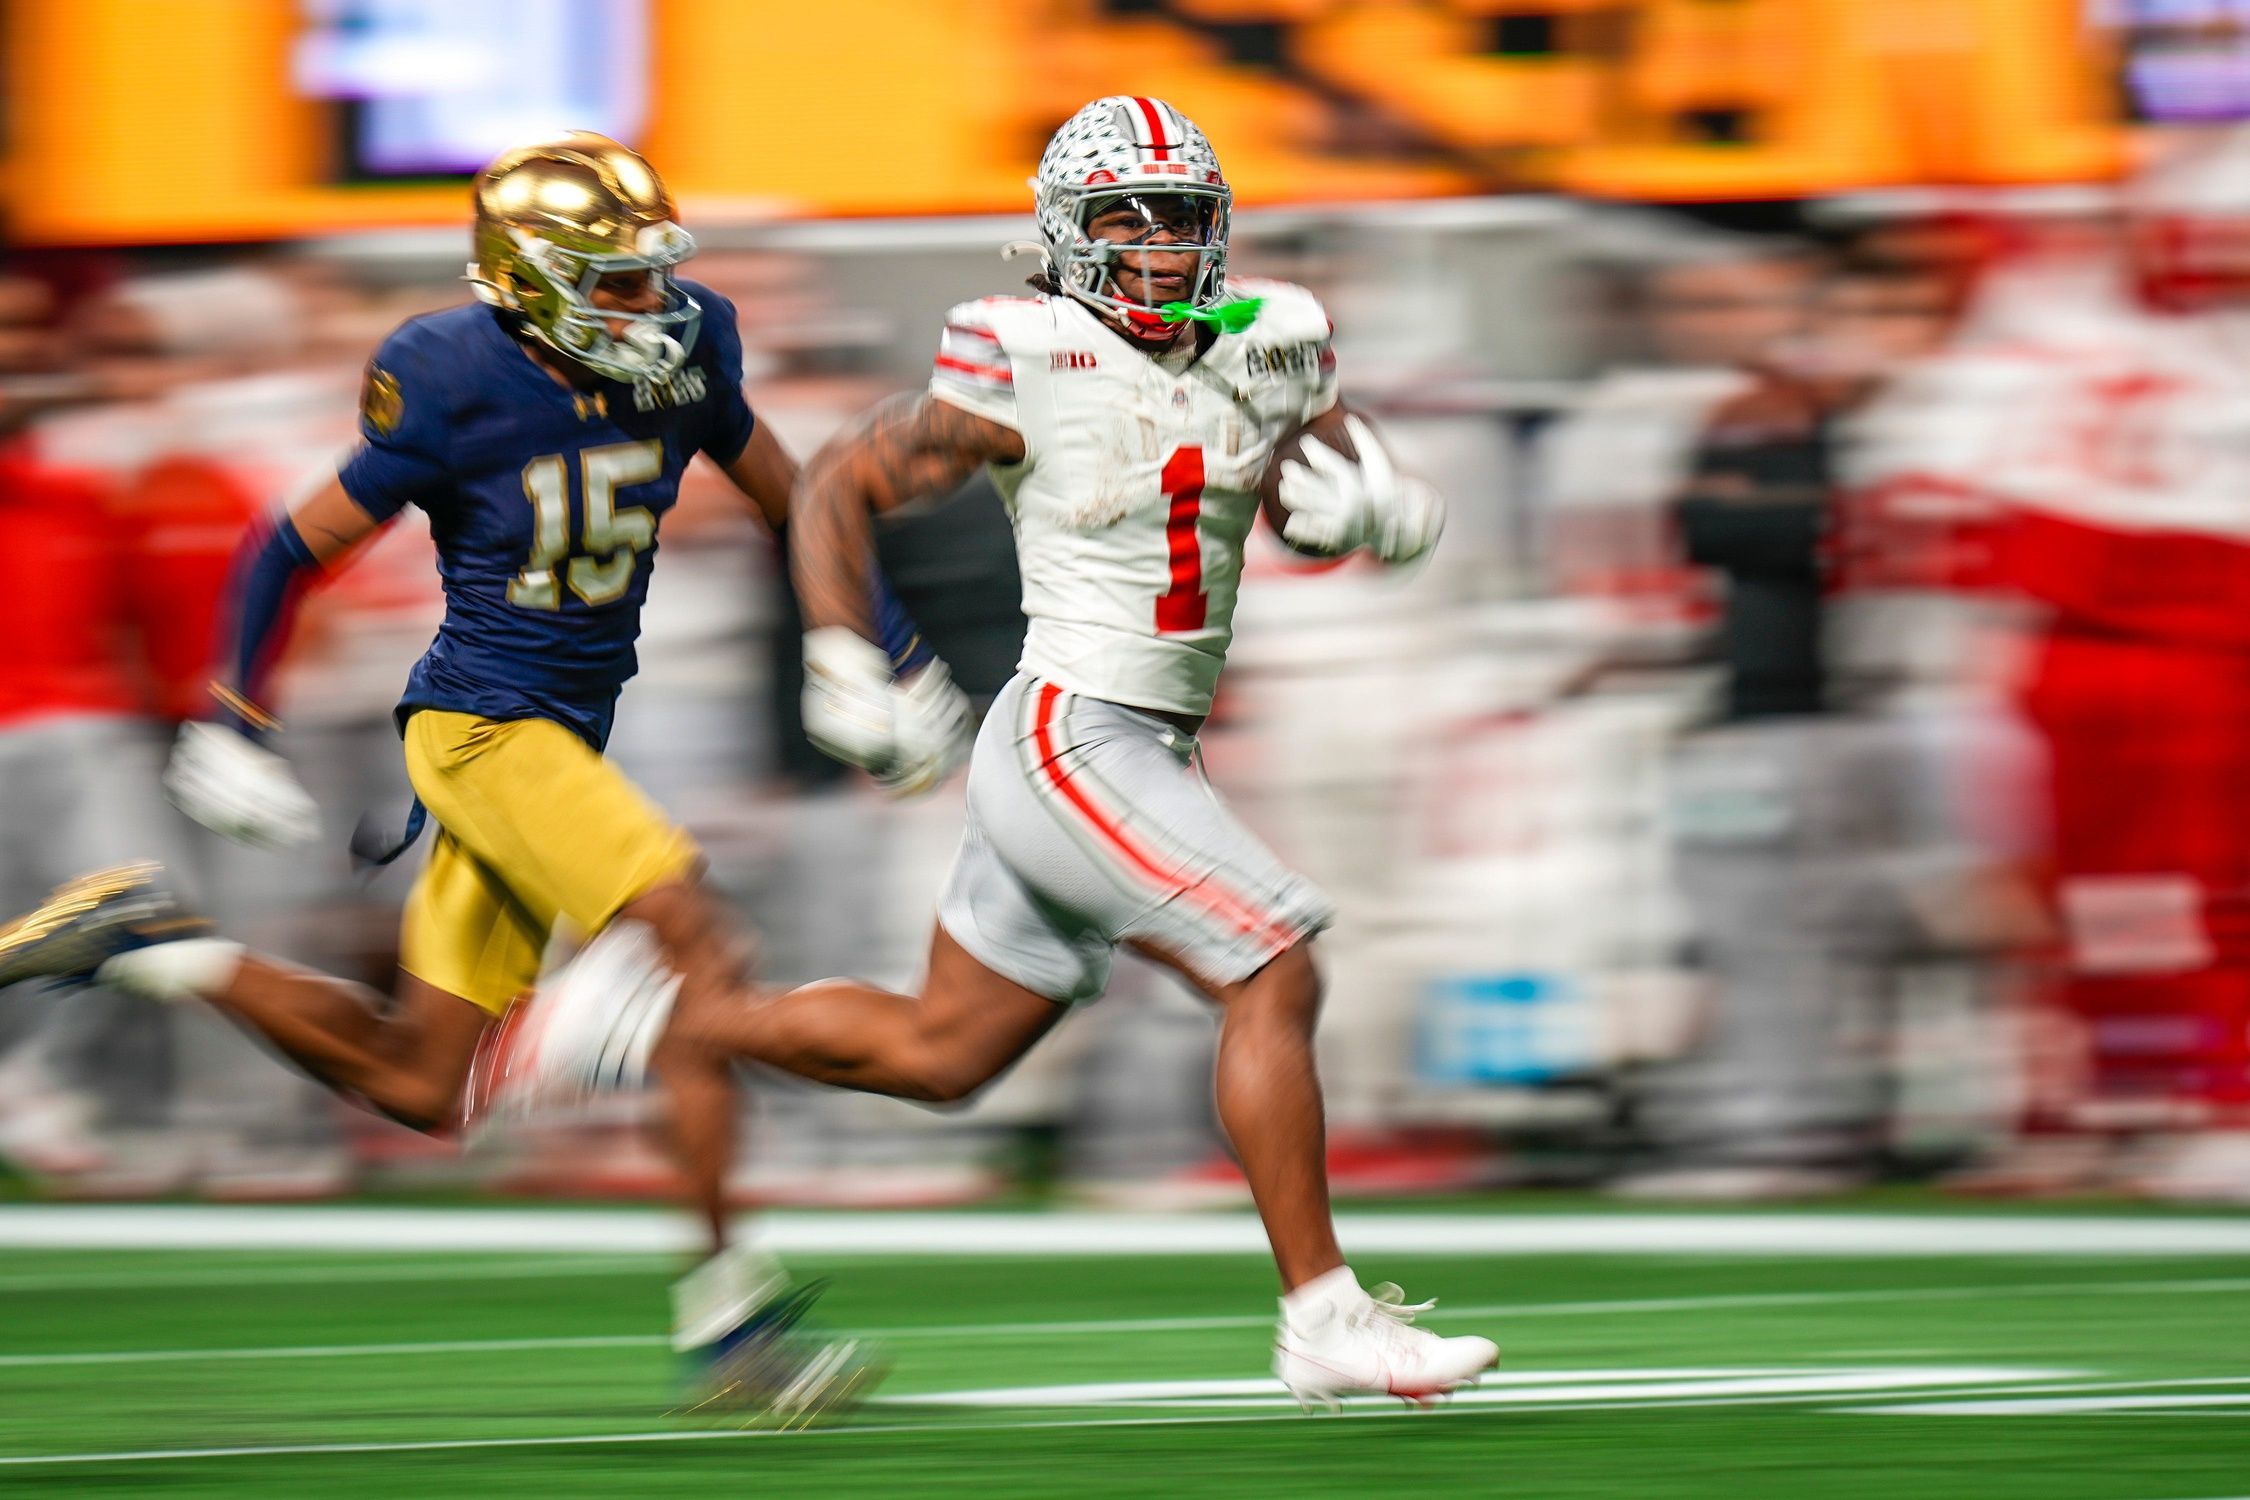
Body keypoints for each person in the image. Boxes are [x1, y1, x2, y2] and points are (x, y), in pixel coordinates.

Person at [0, 132, 961, 1412]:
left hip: (566, 734)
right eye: (613, 281)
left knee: (419, 1082)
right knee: (691, 937)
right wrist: (235, 717)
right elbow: (288, 547)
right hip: (480, 730)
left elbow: (804, 502)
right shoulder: (450, 376)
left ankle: (155, 944)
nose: (651, 303)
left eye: (652, 274)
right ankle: (734, 1314)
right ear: (529, 278)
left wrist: (882, 646)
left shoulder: (691, 352)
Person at [565, 95, 1496, 1408]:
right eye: (1127, 219)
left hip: (1141, 744)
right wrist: (843, 655)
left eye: (1179, 218)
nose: (1161, 247)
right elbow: (836, 479)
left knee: (941, 1055)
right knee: (1270, 963)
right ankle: (1322, 1315)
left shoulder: (1264, 336)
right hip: (1074, 732)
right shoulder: (1026, 353)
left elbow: (1299, 479)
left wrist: (1378, 506)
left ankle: (666, 1014)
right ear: (1066, 233)